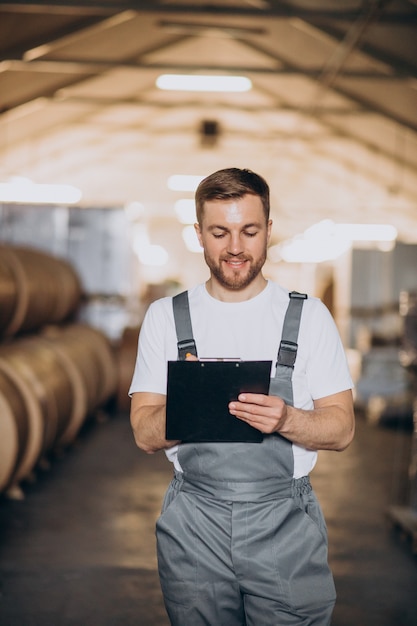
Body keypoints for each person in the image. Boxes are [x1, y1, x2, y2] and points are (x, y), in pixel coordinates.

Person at [129, 167, 355, 626]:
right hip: (194, 521)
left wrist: (287, 419)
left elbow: (342, 427)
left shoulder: (309, 317)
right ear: (198, 234)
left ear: (269, 229)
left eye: (249, 231)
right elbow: (143, 433)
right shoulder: (166, 318)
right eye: (219, 232)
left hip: (284, 521)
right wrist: (190, 403)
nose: (235, 247)